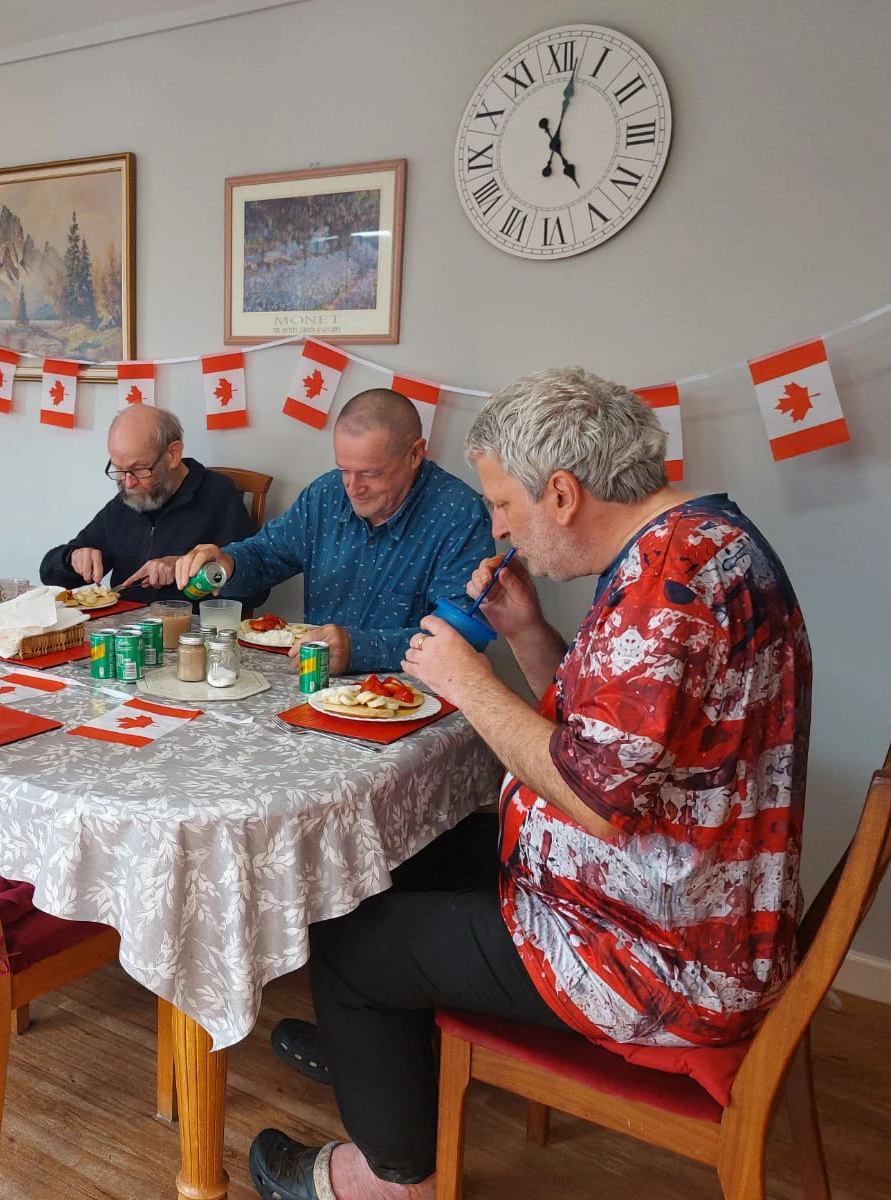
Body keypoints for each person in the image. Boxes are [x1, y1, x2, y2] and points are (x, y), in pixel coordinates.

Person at [248, 367, 812, 1200]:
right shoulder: (695, 541)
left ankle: (389, 1179)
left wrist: (469, 680)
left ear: (561, 494)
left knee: (351, 942)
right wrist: (528, 629)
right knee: (390, 861)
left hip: (655, 952)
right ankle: (380, 1052)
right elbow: (600, 740)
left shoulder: (671, 598)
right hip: (659, 897)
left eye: (503, 507)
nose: (498, 528)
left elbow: (593, 794)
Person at [176, 389, 493, 675]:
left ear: (415, 454)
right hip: (316, 687)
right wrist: (229, 562)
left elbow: (461, 637)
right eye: (345, 470)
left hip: (414, 697)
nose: (354, 488)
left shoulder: (457, 514)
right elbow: (267, 553)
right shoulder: (326, 494)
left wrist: (359, 649)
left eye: (371, 473)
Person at [38, 404, 263, 606]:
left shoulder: (218, 496)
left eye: (138, 469)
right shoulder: (126, 501)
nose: (127, 482)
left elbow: (255, 591)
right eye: (118, 469)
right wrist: (73, 558)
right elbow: (51, 575)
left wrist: (183, 570)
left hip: (189, 638)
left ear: (173, 454)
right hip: (123, 636)